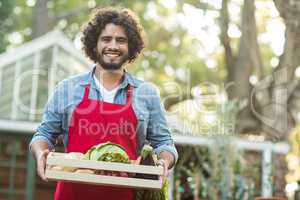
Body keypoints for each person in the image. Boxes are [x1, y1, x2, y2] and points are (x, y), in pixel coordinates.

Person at [29, 6, 178, 200]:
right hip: (72, 195)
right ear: (94, 44)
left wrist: (163, 162)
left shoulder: (146, 93)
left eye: (121, 40)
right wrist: (41, 153)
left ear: (131, 46)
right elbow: (44, 134)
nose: (113, 46)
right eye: (106, 39)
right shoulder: (68, 89)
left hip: (124, 194)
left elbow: (165, 143)